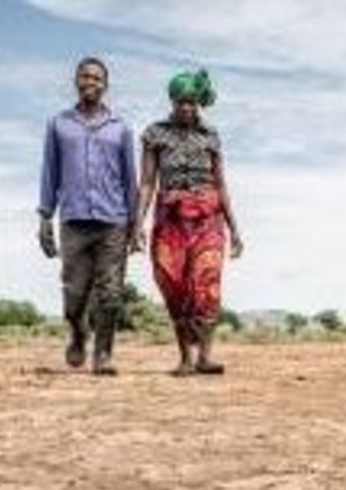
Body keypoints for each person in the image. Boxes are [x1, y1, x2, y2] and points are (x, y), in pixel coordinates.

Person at [134, 68, 243, 376]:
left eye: (192, 102)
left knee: (207, 283)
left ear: (199, 103)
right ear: (172, 101)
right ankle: (185, 358)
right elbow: (146, 183)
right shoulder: (155, 134)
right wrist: (137, 223)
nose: (186, 107)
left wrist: (234, 230)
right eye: (180, 101)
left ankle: (205, 357)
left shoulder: (211, 136)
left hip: (209, 217)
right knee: (173, 284)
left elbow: (222, 185)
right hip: (170, 219)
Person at [37, 57, 138, 375]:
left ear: (105, 85)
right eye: (85, 76)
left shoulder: (120, 128)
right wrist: (44, 217)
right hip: (73, 220)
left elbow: (129, 177)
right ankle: (79, 334)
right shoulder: (59, 124)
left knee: (110, 293)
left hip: (113, 221)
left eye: (97, 78)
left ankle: (104, 355)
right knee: (74, 294)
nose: (90, 81)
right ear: (76, 81)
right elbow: (49, 172)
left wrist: (135, 224)